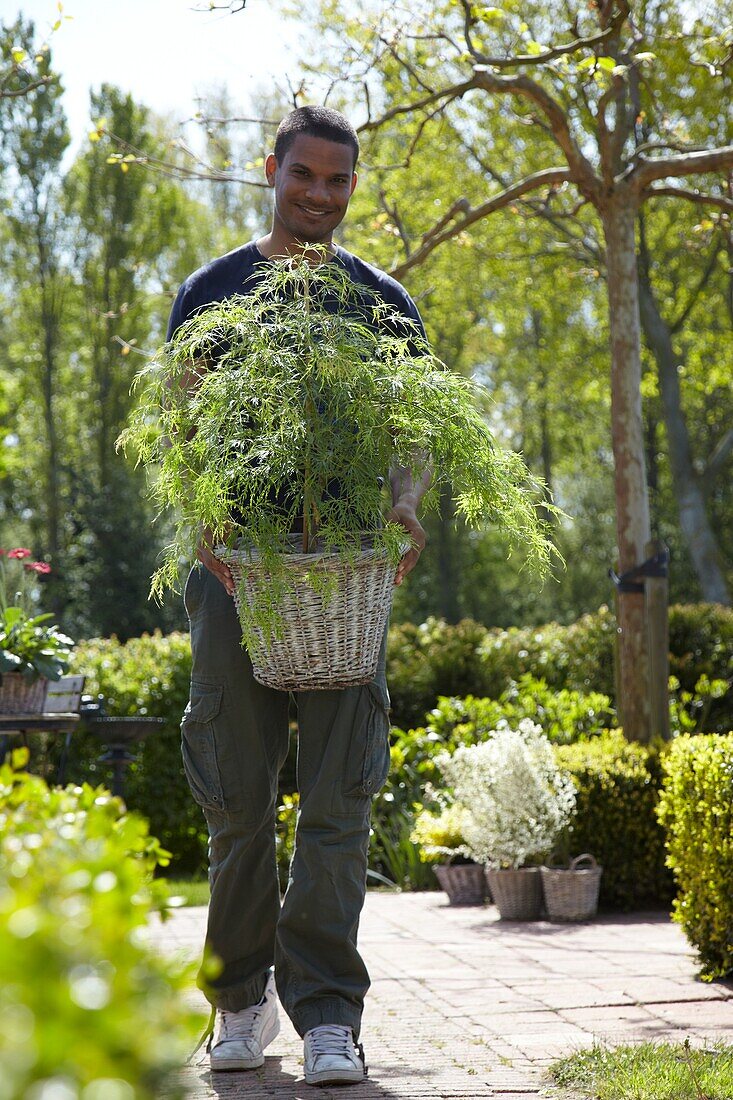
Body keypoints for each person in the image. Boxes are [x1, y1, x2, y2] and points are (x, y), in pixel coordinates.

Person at [168, 105, 431, 1087]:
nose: (321, 195)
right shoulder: (215, 290)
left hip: (344, 583)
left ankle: (327, 1011)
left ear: (353, 185)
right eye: (304, 176)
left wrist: (406, 506)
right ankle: (239, 999)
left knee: (336, 801)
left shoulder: (383, 303)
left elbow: (416, 428)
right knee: (235, 797)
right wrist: (203, 519)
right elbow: (182, 423)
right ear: (270, 170)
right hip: (234, 577)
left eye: (338, 180)